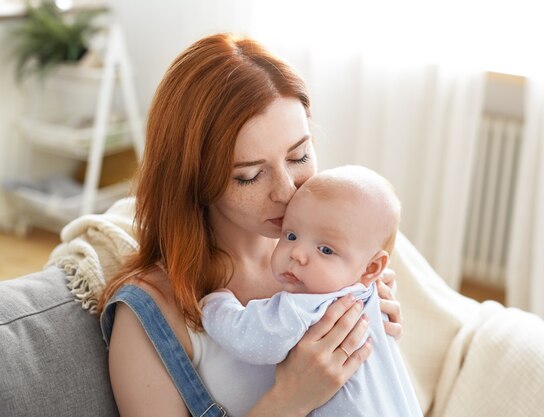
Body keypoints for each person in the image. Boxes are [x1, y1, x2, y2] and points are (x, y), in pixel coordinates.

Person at [96, 33, 403, 417]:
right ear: (192, 179)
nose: (287, 190)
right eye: (250, 175)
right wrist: (289, 400)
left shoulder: (337, 254)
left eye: (299, 155)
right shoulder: (150, 318)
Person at [201, 165, 423, 417]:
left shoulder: (303, 307)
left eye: (326, 250)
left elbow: (248, 337)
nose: (297, 253)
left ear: (371, 267)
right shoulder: (370, 289)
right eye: (292, 235)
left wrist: (216, 304)